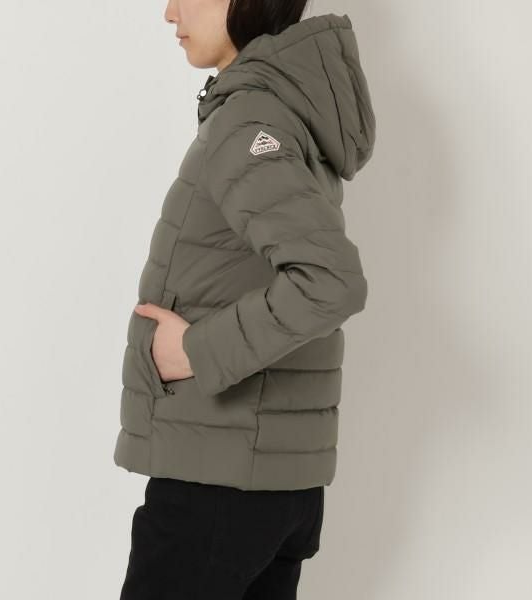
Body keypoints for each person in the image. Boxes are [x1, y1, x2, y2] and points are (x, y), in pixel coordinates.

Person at [115, 1, 376, 598]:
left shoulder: (251, 120)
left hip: (220, 486)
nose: (169, 11)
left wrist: (197, 351)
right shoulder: (280, 109)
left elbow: (330, 279)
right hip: (261, 481)